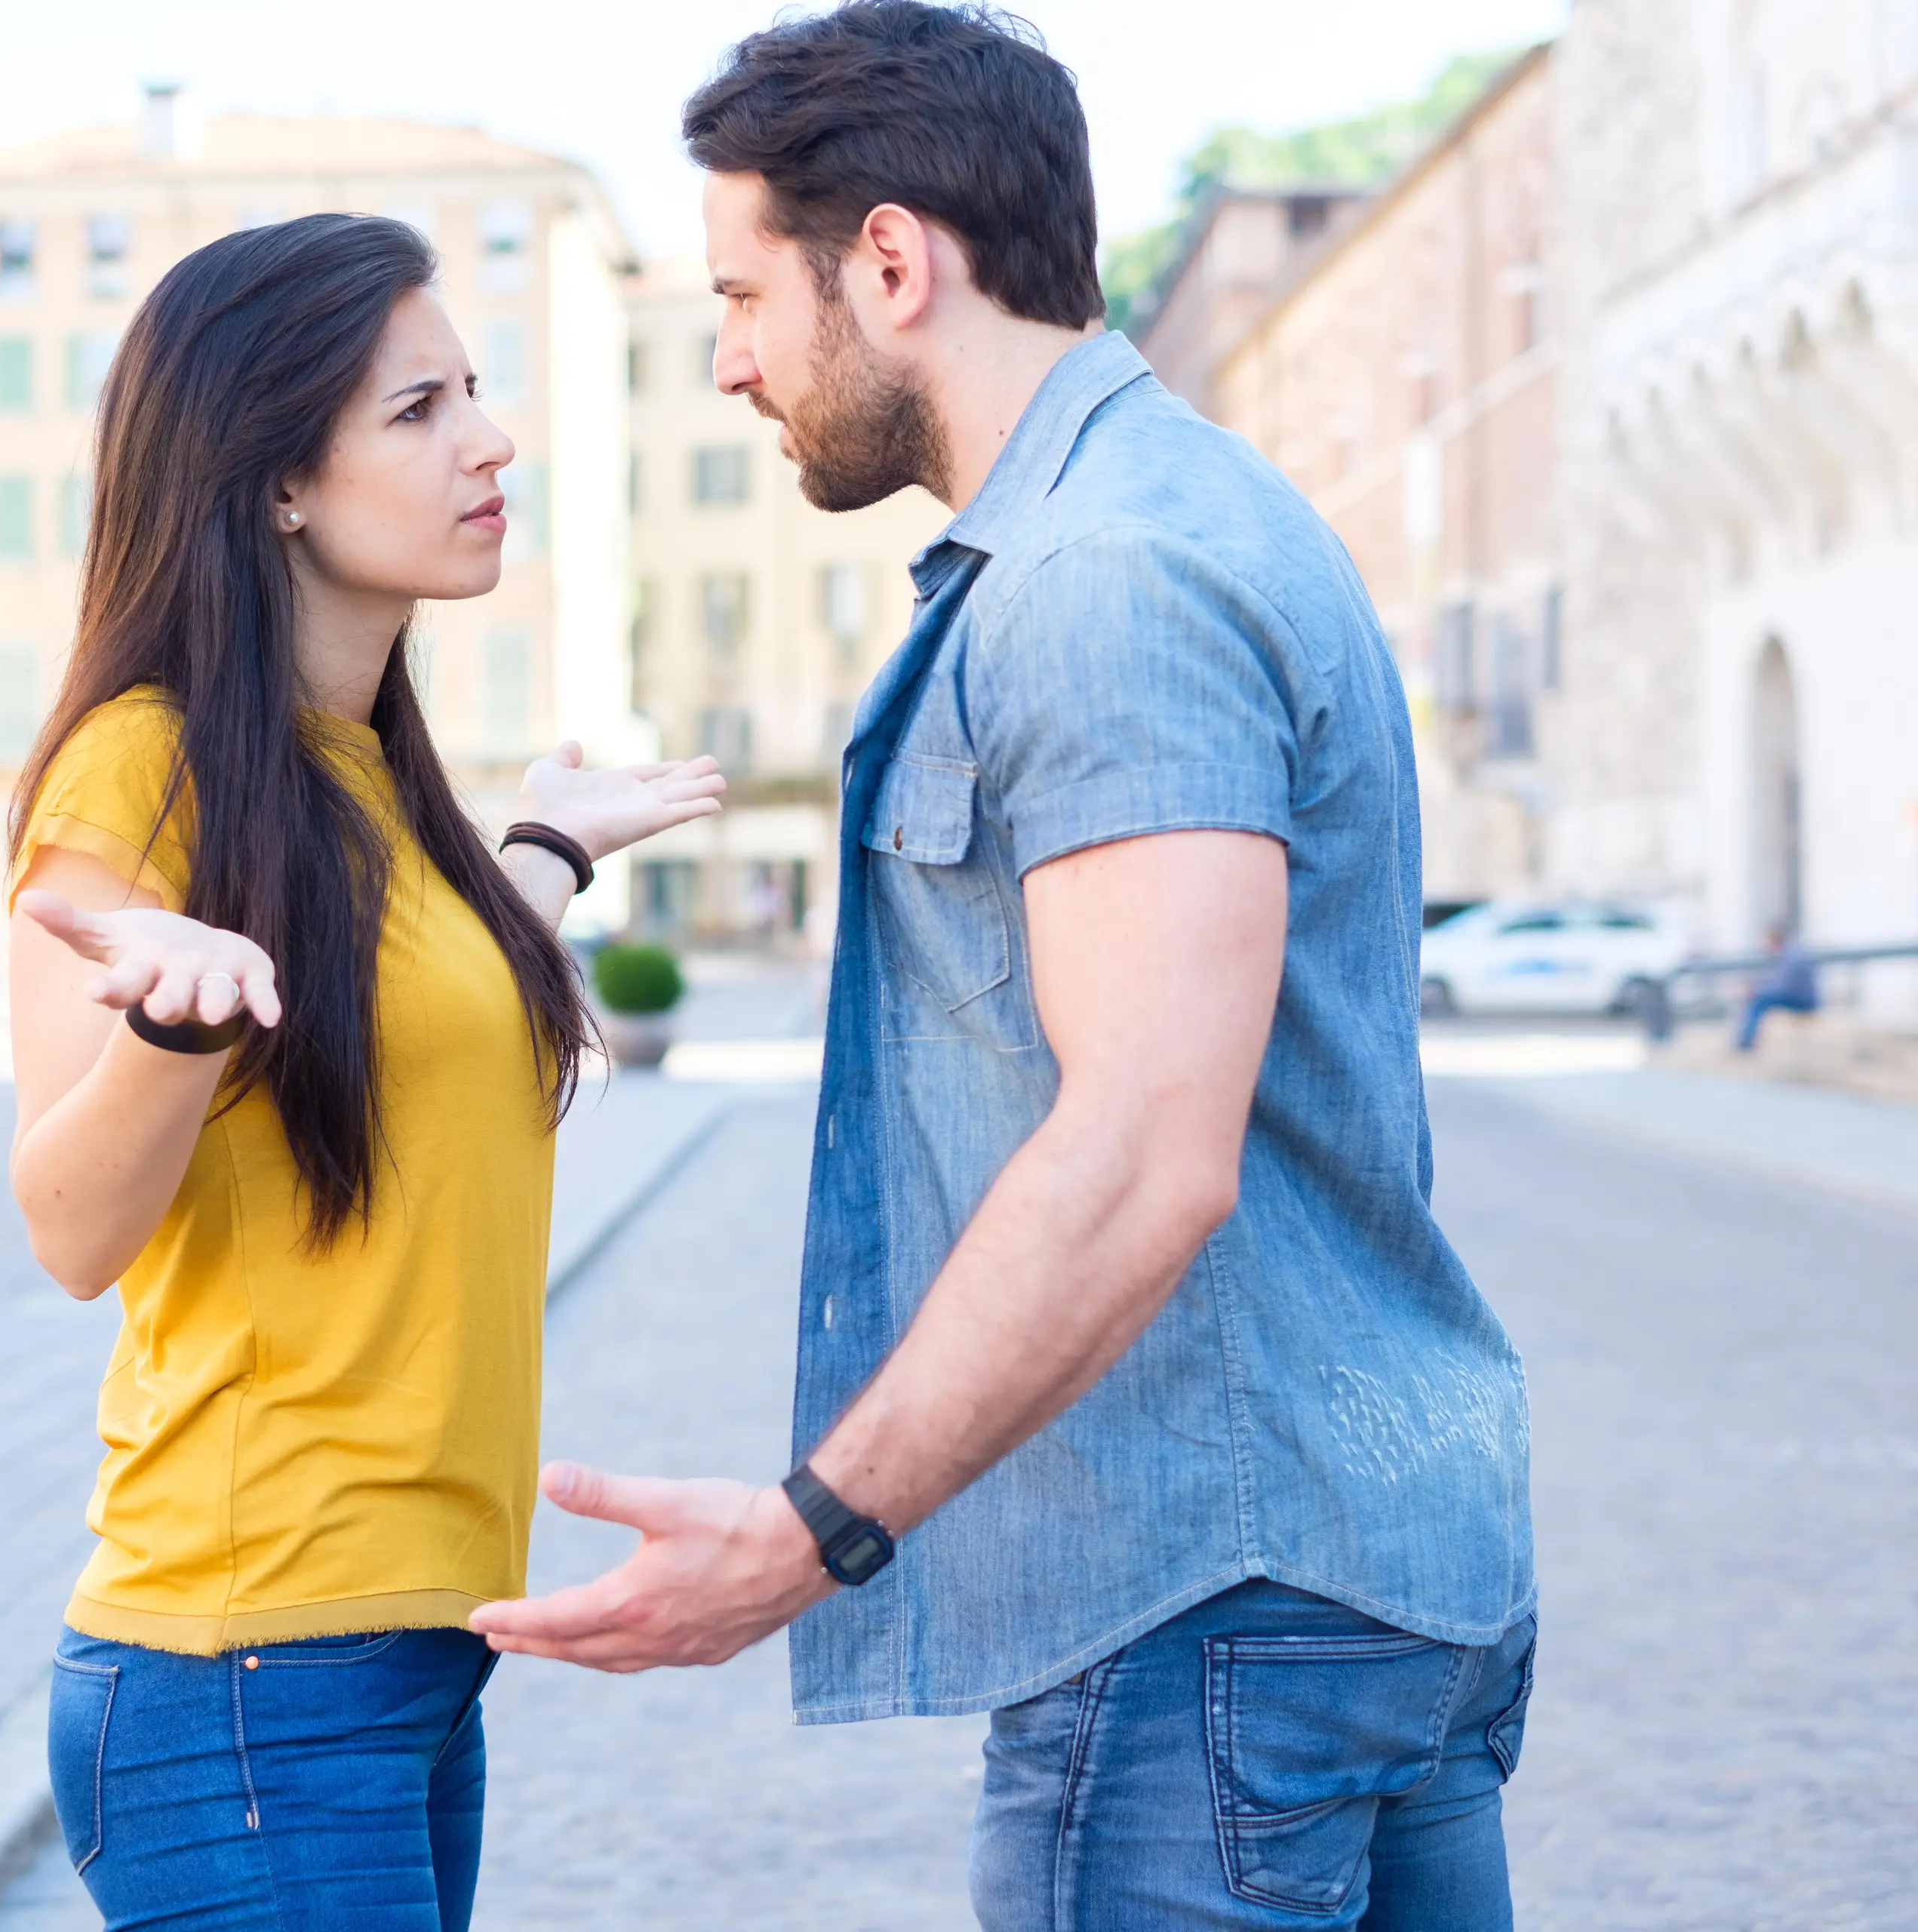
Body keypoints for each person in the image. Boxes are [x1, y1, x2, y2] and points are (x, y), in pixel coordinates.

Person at [469, 8, 1537, 1927]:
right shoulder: (1188, 513)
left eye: (740, 295)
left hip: (1207, 1607)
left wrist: (805, 1531)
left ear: (890, 262)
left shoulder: (1106, 576)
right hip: (1359, 1569)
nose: (725, 360)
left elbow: (1140, 1147)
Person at [4, 214, 724, 1930]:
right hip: (246, 1664)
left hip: (400, 1652)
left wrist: (542, 854)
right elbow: (68, 1226)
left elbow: (404, 1029)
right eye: (419, 409)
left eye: (474, 392)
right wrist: (171, 1034)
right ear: (275, 483)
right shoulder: (142, 763)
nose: (491, 441)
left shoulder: (369, 779)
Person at [1735, 927, 1819, 1050]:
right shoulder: (1788, 954)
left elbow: (1783, 986)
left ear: (1775, 941)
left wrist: (1757, 991)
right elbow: (1777, 984)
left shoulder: (1792, 957)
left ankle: (1746, 1042)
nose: (1765, 947)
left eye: (1767, 943)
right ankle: (1746, 1039)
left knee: (1759, 1001)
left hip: (1804, 1002)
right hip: (1799, 997)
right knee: (1759, 999)